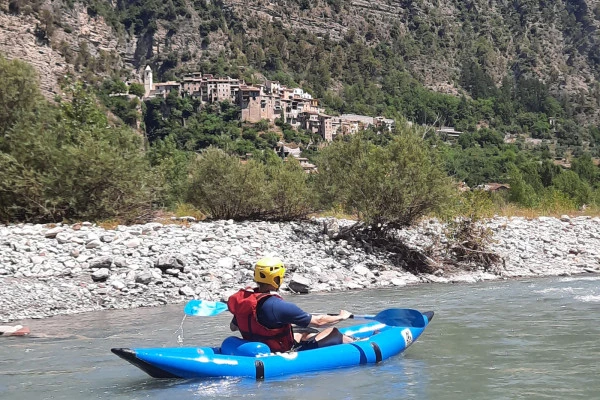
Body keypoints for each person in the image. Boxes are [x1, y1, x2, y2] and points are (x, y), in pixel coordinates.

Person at [227, 256, 355, 353]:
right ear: (276, 278)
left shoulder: (245, 302)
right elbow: (319, 322)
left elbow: (234, 327)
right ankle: (355, 343)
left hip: (257, 347)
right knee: (333, 331)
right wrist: (341, 316)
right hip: (281, 352)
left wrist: (271, 322)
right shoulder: (278, 306)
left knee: (304, 332)